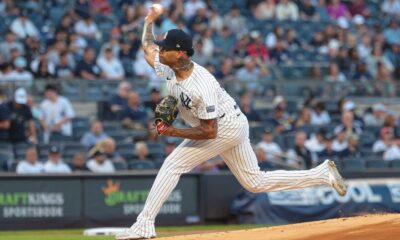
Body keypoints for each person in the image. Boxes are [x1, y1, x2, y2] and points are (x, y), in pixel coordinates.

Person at [115, 7, 347, 240]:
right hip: (233, 123)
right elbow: (147, 47)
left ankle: (144, 224)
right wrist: (148, 21)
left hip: (223, 127)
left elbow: (210, 131)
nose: (160, 50)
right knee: (255, 182)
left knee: (172, 164)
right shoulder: (169, 66)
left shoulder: (201, 85)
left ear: (180, 54)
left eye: (165, 48)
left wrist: (171, 131)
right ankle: (322, 174)